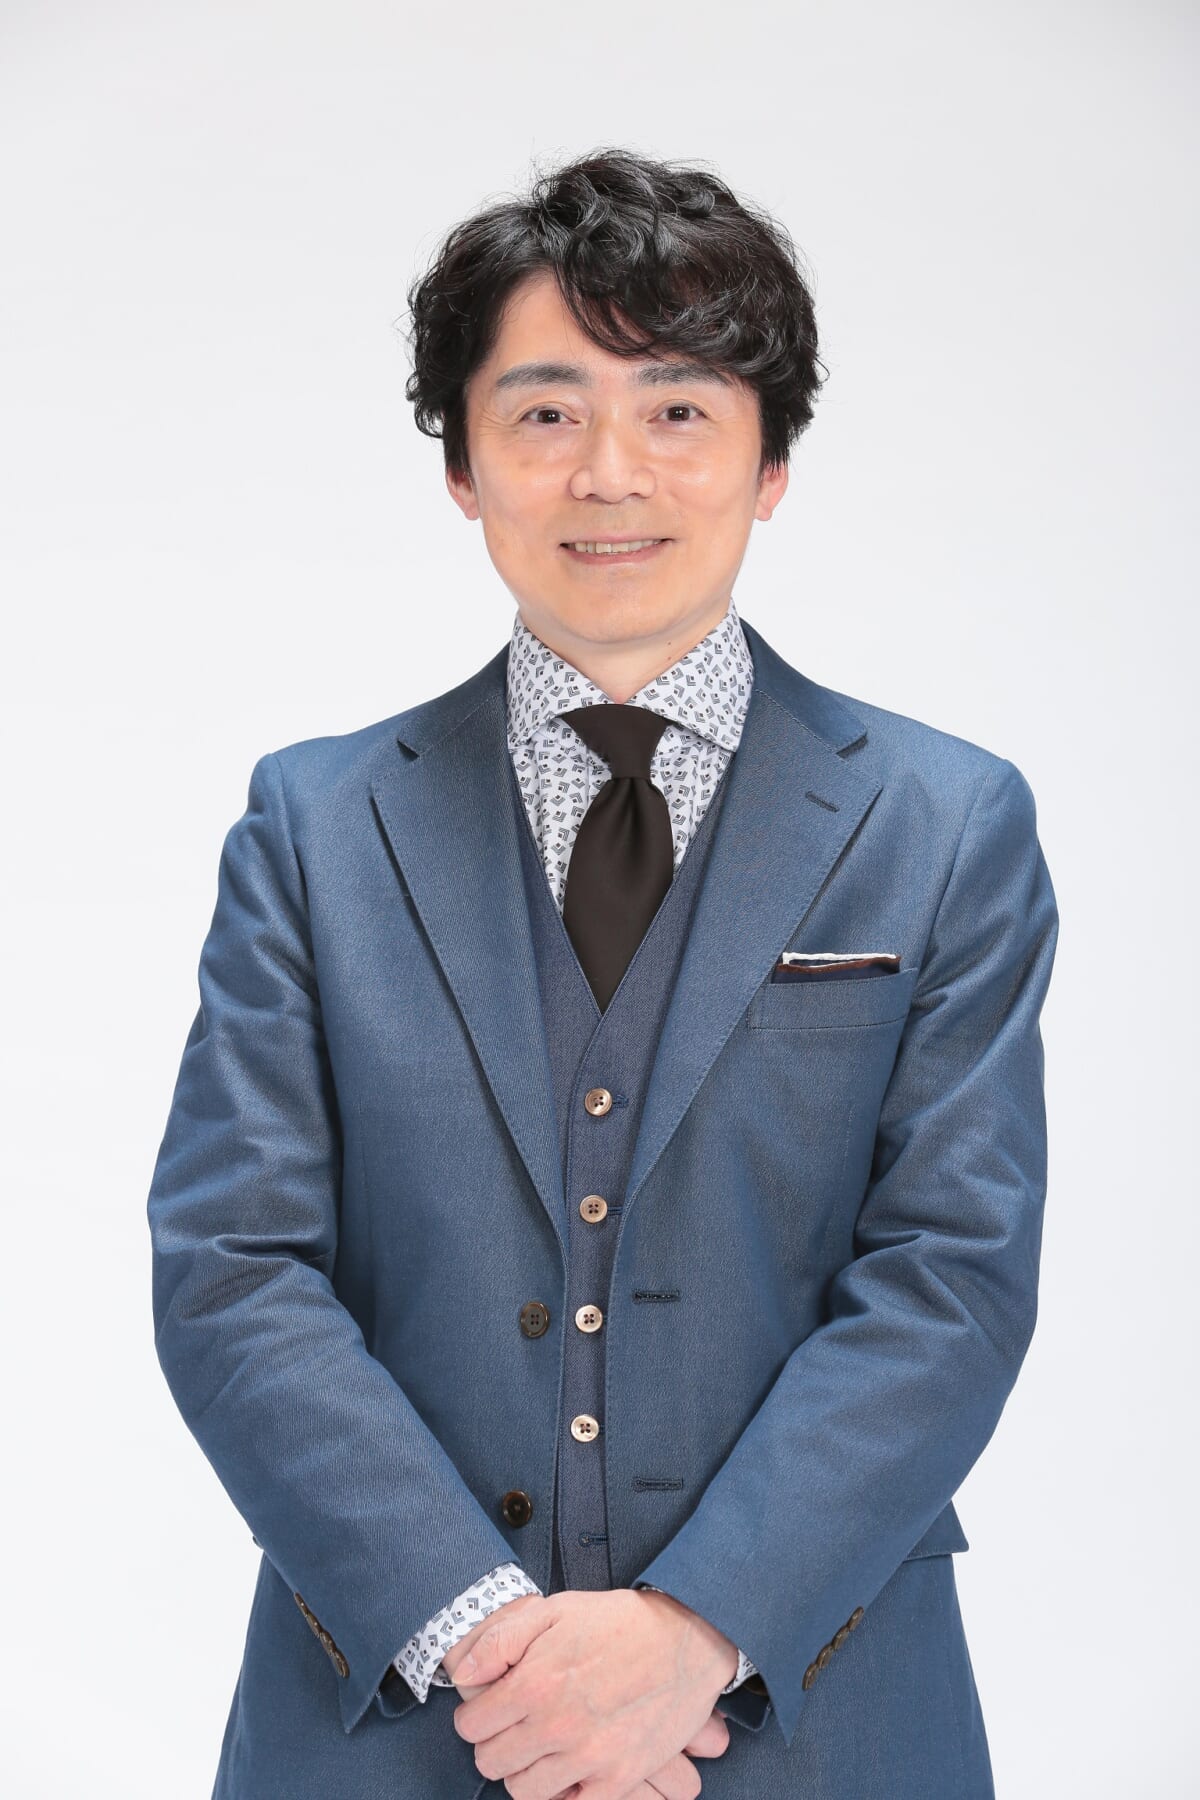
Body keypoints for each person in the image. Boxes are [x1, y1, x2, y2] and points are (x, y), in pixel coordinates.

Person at [147, 147, 1059, 1799]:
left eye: (679, 409)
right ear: (463, 464)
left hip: (813, 1715)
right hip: (401, 1724)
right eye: (547, 412)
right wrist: (485, 1634)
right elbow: (232, 1268)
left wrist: (697, 1631)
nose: (609, 473)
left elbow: (952, 1279)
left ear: (771, 464)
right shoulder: (313, 826)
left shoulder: (945, 825)